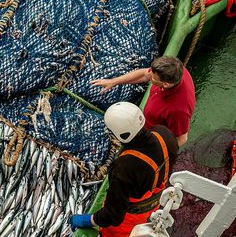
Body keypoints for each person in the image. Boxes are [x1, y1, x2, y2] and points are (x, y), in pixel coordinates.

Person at [71, 101, 179, 237]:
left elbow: (113, 216)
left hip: (127, 222)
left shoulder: (125, 167)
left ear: (121, 136)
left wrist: (88, 220)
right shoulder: (164, 134)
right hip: (153, 207)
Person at [90, 56, 195, 146]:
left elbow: (182, 138)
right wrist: (113, 82)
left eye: (153, 79)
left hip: (151, 135)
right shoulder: (176, 70)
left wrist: (154, 150)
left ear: (166, 84)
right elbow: (145, 74)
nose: (149, 76)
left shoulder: (178, 110)